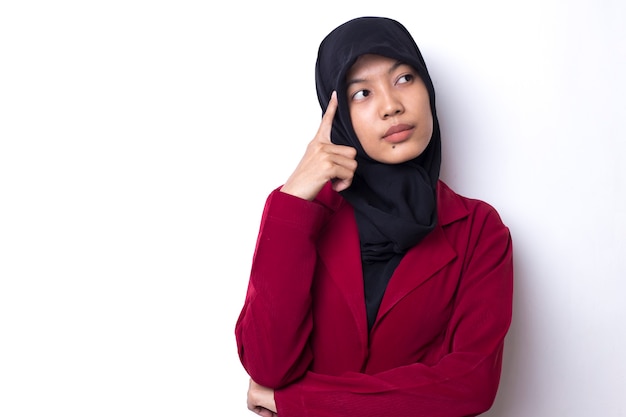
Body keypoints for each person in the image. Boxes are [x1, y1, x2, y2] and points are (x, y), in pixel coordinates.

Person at [234, 16, 513, 417]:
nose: (391, 105)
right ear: (338, 118)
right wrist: (293, 196)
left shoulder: (479, 230)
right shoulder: (301, 215)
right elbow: (268, 365)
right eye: (361, 92)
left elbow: (470, 385)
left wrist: (300, 402)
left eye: (404, 79)